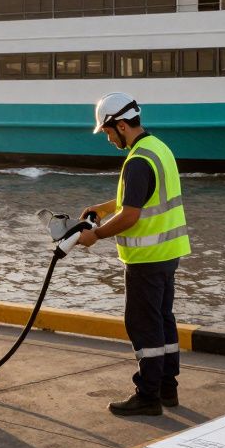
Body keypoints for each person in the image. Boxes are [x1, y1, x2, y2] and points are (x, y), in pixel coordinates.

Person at [77, 92, 190, 417]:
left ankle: (147, 395)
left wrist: (94, 235)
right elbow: (138, 198)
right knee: (163, 320)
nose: (108, 138)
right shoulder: (158, 149)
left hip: (147, 258)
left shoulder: (138, 160)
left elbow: (131, 216)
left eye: (108, 132)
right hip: (169, 253)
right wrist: (103, 207)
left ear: (122, 125)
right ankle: (168, 389)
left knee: (143, 325)